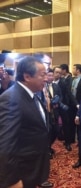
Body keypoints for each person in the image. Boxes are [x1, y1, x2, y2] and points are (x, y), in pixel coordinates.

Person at [0, 56, 51, 188]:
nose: (46, 78)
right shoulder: (11, 99)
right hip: (21, 172)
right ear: (27, 77)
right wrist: (12, 180)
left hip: (32, 166)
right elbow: (6, 144)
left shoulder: (31, 94)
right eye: (42, 75)